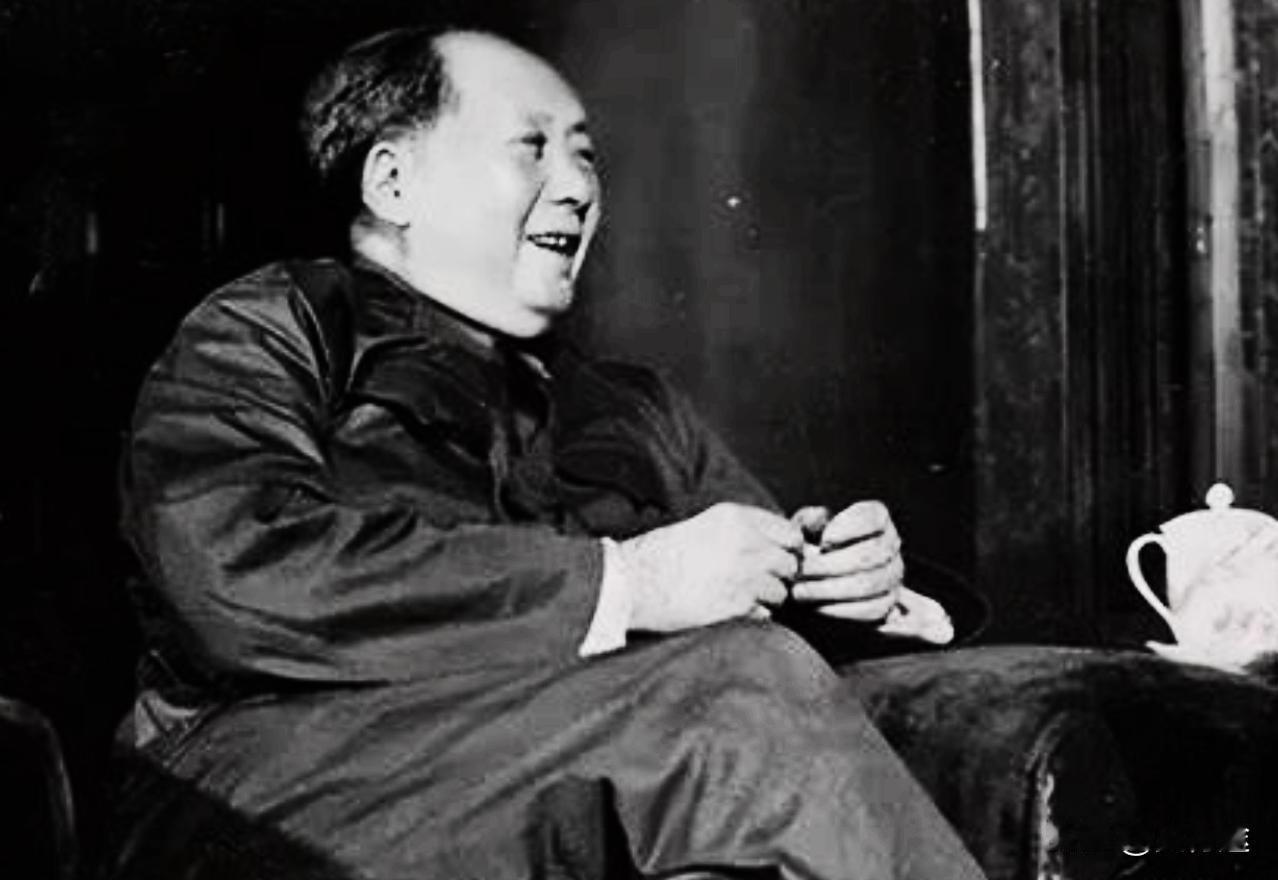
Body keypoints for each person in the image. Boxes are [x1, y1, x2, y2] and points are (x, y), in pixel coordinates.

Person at [110, 24, 986, 880]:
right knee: (735, 700)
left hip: (553, 775)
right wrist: (625, 584)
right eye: (531, 147)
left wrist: (851, 591)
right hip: (267, 783)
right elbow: (231, 569)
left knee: (730, 803)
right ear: (393, 181)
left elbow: (752, 622)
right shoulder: (273, 325)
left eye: (586, 155)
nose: (577, 188)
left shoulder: (634, 406)